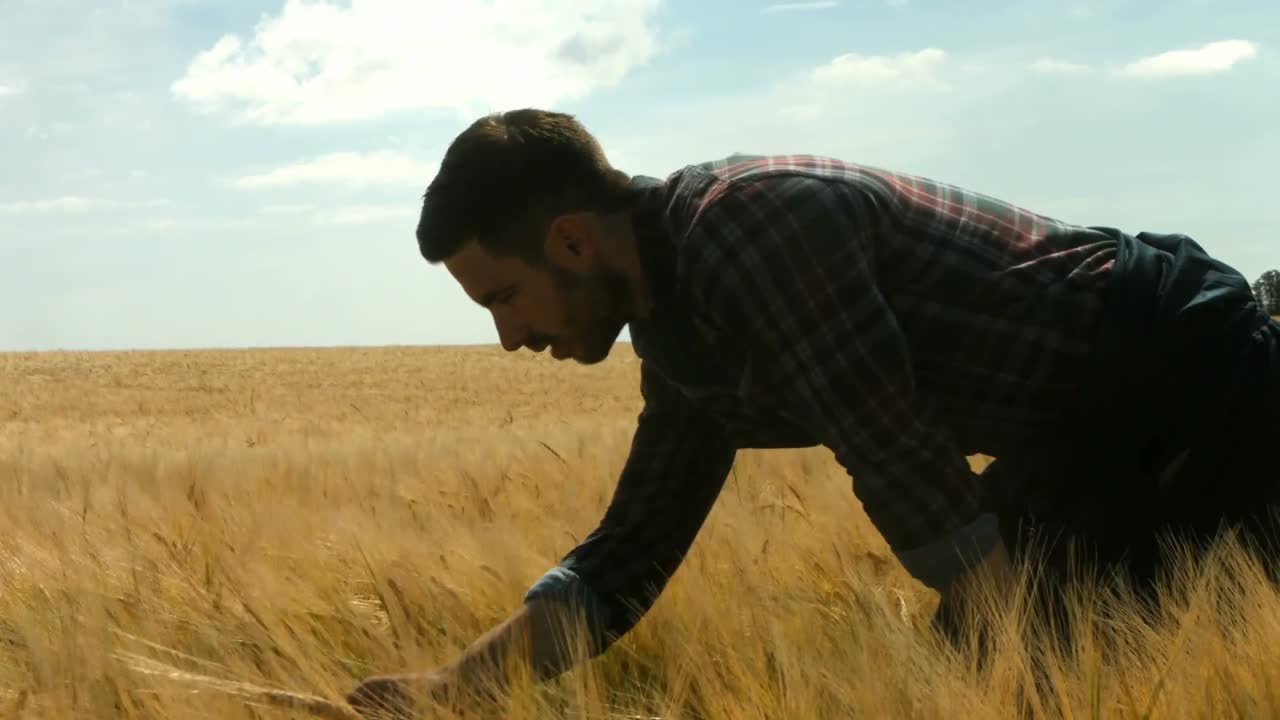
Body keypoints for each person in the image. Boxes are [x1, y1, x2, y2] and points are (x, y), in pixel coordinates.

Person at [345, 108, 1280, 718]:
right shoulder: (682, 336)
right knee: (994, 650)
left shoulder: (751, 229)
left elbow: (897, 453)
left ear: (573, 241)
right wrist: (450, 691)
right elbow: (629, 552)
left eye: (502, 297)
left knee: (1020, 647)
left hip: (1188, 370)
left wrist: (1019, 675)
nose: (510, 338)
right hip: (1087, 428)